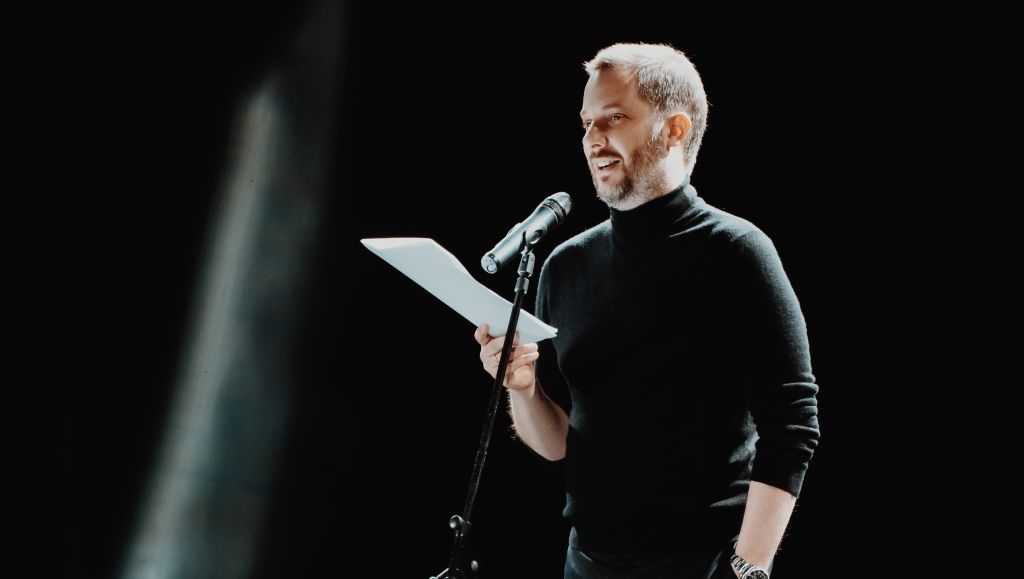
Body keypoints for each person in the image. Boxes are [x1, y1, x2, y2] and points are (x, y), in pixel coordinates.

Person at [473, 43, 819, 579]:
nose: (593, 139)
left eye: (614, 118)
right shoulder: (565, 266)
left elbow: (792, 426)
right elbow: (559, 444)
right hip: (586, 562)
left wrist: (747, 569)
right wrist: (522, 388)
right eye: (586, 123)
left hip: (703, 561)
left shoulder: (737, 252)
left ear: (674, 129)